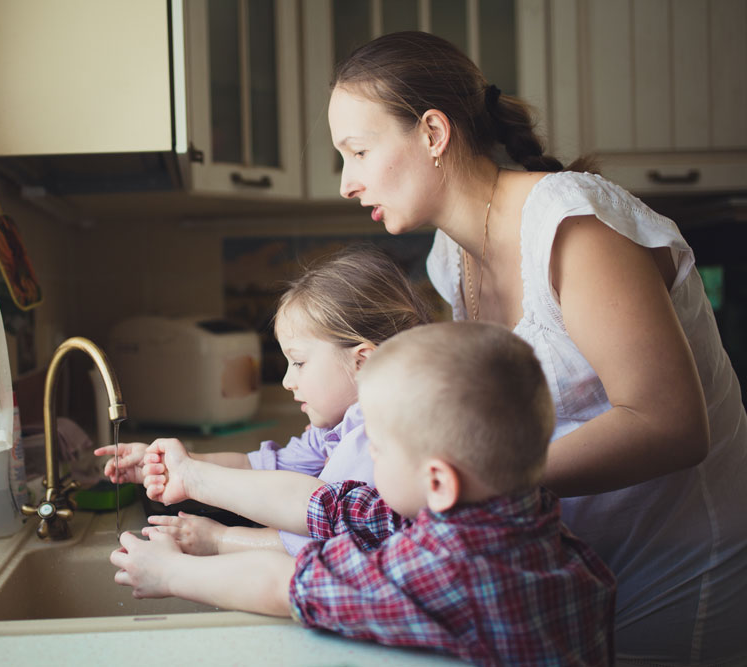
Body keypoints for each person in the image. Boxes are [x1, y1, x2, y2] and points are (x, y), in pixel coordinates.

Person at [328, 30, 747, 663]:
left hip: (685, 571)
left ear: (433, 133)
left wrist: (486, 481)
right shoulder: (452, 259)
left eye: (357, 151)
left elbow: (672, 425)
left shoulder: (570, 221)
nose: (346, 183)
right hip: (574, 573)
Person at [112, 322, 617, 665]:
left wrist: (171, 572)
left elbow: (284, 584)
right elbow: (324, 505)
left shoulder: (449, 572)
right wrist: (194, 476)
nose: (368, 457)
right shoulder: (526, 524)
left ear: (438, 482)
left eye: (376, 446)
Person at [95, 245, 432, 556]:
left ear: (363, 363)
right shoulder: (342, 425)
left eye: (298, 362)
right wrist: (174, 462)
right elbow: (263, 465)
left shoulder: (375, 435)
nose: (286, 381)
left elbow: (319, 530)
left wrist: (220, 540)